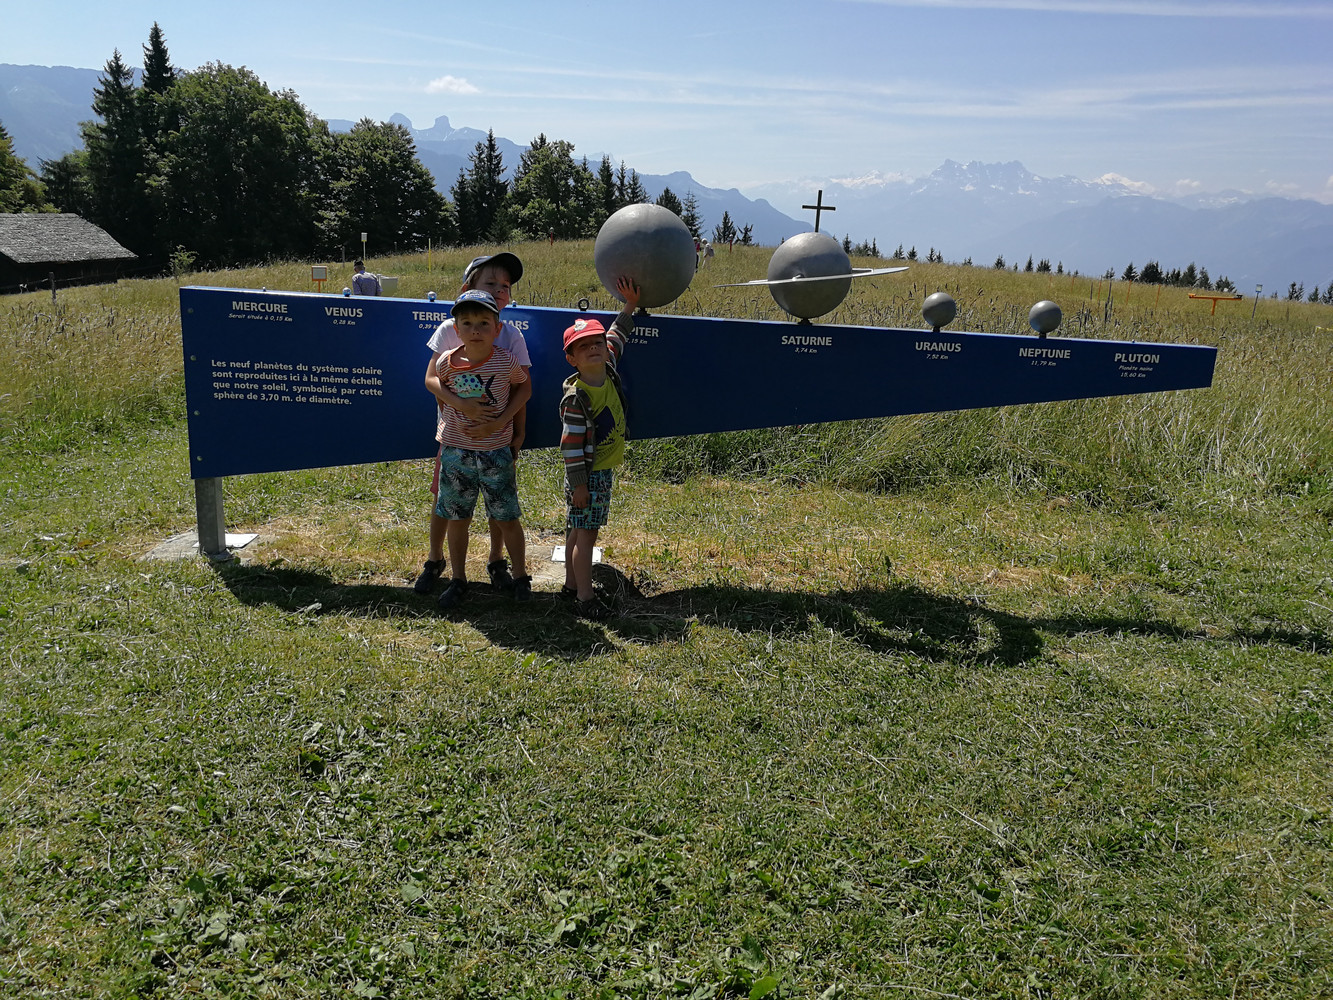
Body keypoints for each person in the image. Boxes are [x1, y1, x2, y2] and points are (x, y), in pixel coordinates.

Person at [413, 253, 530, 597]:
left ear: (496, 326)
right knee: (447, 505)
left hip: (497, 440)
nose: (499, 290)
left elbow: (522, 388)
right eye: (490, 283)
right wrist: (461, 405)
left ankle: (498, 562)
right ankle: (437, 562)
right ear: (468, 288)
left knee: (501, 509)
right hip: (455, 439)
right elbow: (432, 379)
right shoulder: (448, 331)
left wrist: (513, 429)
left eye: (505, 285)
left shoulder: (511, 339)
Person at [559, 276, 641, 620]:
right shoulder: (577, 398)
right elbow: (570, 445)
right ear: (572, 359)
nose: (594, 348)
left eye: (596, 342)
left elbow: (616, 335)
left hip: (600, 472)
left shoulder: (608, 369)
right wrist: (580, 485)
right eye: (584, 346)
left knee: (577, 530)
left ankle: (569, 585)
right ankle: (585, 597)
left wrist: (630, 305)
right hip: (588, 476)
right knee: (586, 536)